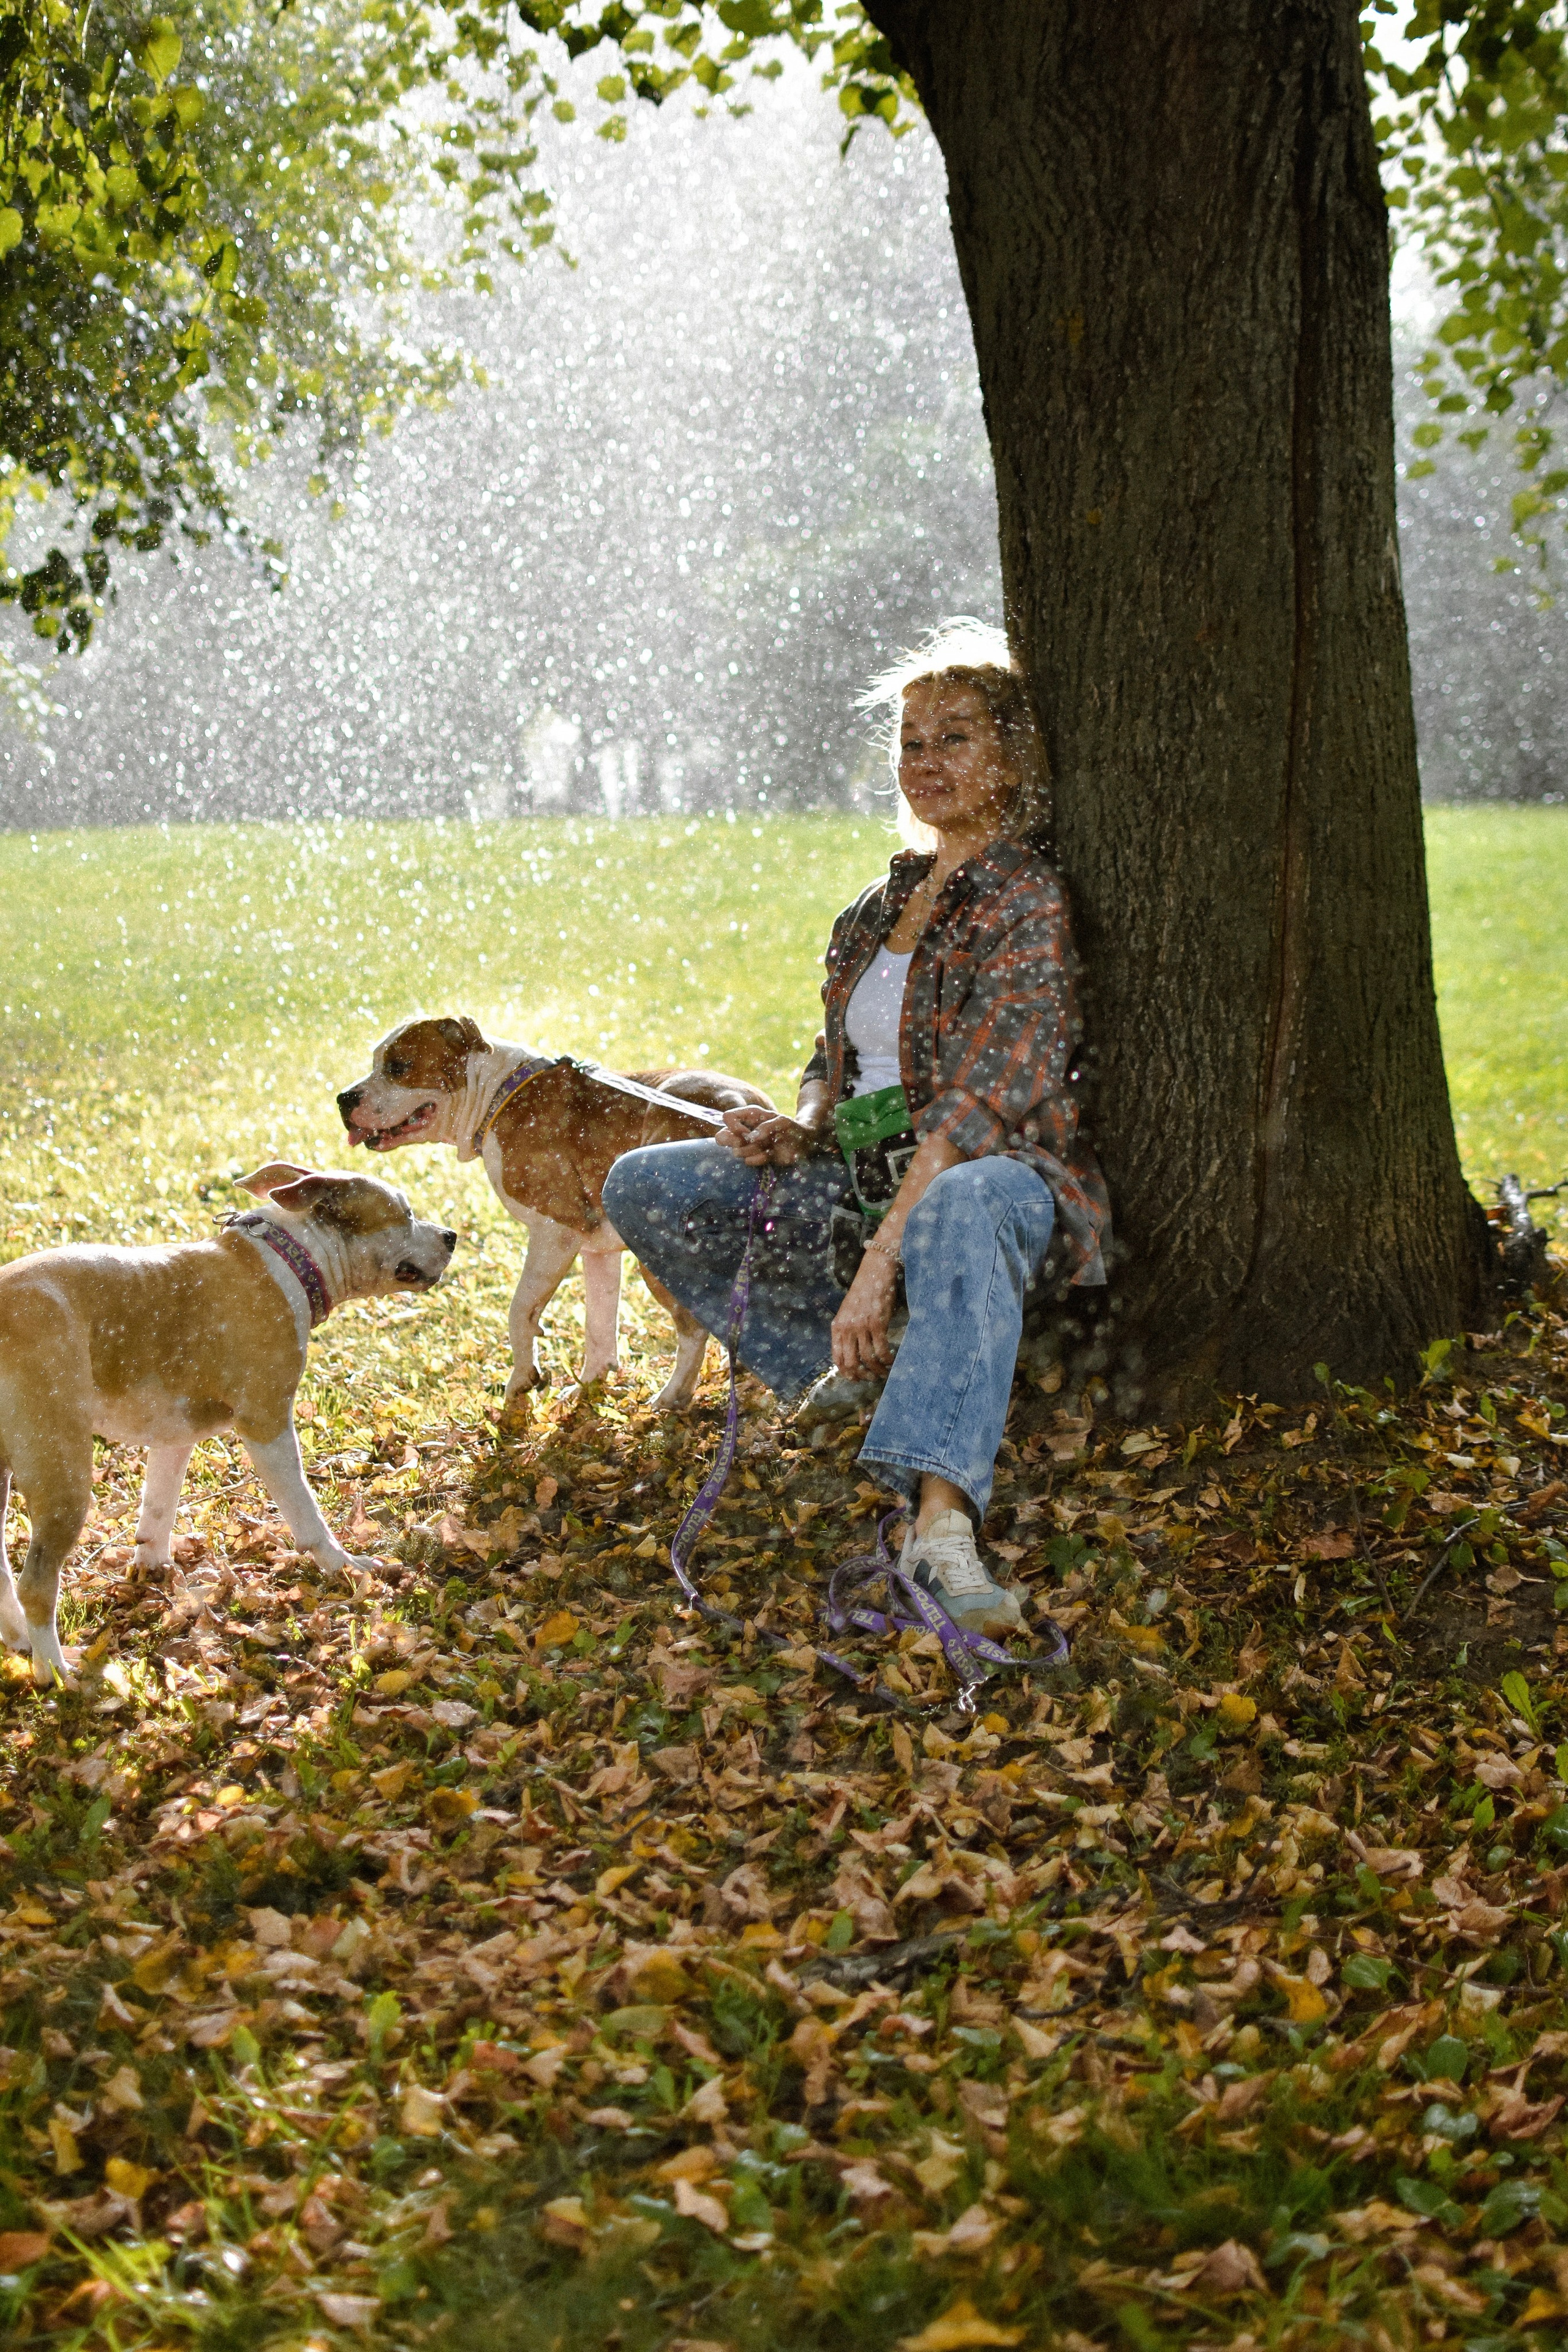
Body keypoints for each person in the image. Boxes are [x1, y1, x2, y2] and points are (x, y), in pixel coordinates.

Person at [602, 621, 1110, 1638]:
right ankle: (850, 1382)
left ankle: (941, 1523)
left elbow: (977, 1112)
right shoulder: (876, 907)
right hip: (864, 1172)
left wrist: (880, 1265)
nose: (926, 762)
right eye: (912, 741)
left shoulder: (1027, 901)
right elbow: (836, 1067)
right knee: (645, 1183)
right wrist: (793, 1126)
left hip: (997, 1184)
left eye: (955, 737)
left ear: (1012, 754)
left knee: (963, 1199)